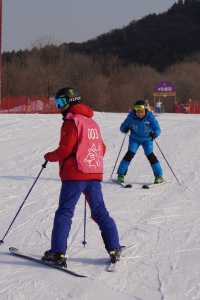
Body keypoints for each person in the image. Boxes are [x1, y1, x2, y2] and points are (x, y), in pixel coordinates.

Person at [42, 87, 121, 266]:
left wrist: (49, 156)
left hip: (75, 175)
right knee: (100, 212)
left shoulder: (72, 122)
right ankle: (114, 247)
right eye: (57, 103)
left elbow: (65, 150)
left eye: (61, 103)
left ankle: (58, 253)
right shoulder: (91, 122)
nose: (58, 107)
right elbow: (102, 148)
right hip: (93, 174)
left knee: (65, 212)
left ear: (71, 102)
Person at [117, 99, 164, 184]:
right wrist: (125, 129)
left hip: (147, 140)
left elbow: (157, 128)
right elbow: (122, 127)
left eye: (141, 111)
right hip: (135, 139)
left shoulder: (150, 116)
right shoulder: (131, 117)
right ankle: (120, 175)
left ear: (145, 110)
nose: (139, 114)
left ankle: (159, 176)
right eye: (137, 112)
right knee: (129, 154)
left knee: (150, 155)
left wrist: (155, 134)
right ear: (134, 111)